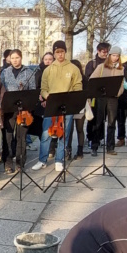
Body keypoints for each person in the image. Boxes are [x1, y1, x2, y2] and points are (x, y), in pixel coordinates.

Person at [34, 40, 82, 172]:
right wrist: (47, 96)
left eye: (62, 52)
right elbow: (43, 88)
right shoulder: (48, 70)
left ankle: (59, 160)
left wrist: (72, 97)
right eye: (57, 52)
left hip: (67, 106)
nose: (60, 54)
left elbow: (78, 86)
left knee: (63, 133)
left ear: (65, 52)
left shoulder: (73, 68)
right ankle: (42, 160)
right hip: (52, 105)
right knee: (46, 133)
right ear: (54, 53)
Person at [0, 49, 37, 173]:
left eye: (17, 58)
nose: (15, 60)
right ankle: (8, 163)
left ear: (21, 58)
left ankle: (20, 163)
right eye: (13, 58)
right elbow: (2, 90)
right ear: (9, 59)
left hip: (24, 110)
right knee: (8, 136)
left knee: (22, 137)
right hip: (9, 109)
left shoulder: (29, 72)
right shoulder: (5, 72)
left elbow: (32, 91)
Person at [87, 46, 124, 155]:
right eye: (113, 55)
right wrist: (97, 91)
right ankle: (94, 145)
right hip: (101, 97)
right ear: (109, 55)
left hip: (113, 98)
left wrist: (117, 93)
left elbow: (122, 84)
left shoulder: (121, 68)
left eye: (117, 56)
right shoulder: (101, 67)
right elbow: (92, 80)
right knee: (98, 122)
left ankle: (110, 147)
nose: (115, 58)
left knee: (111, 122)